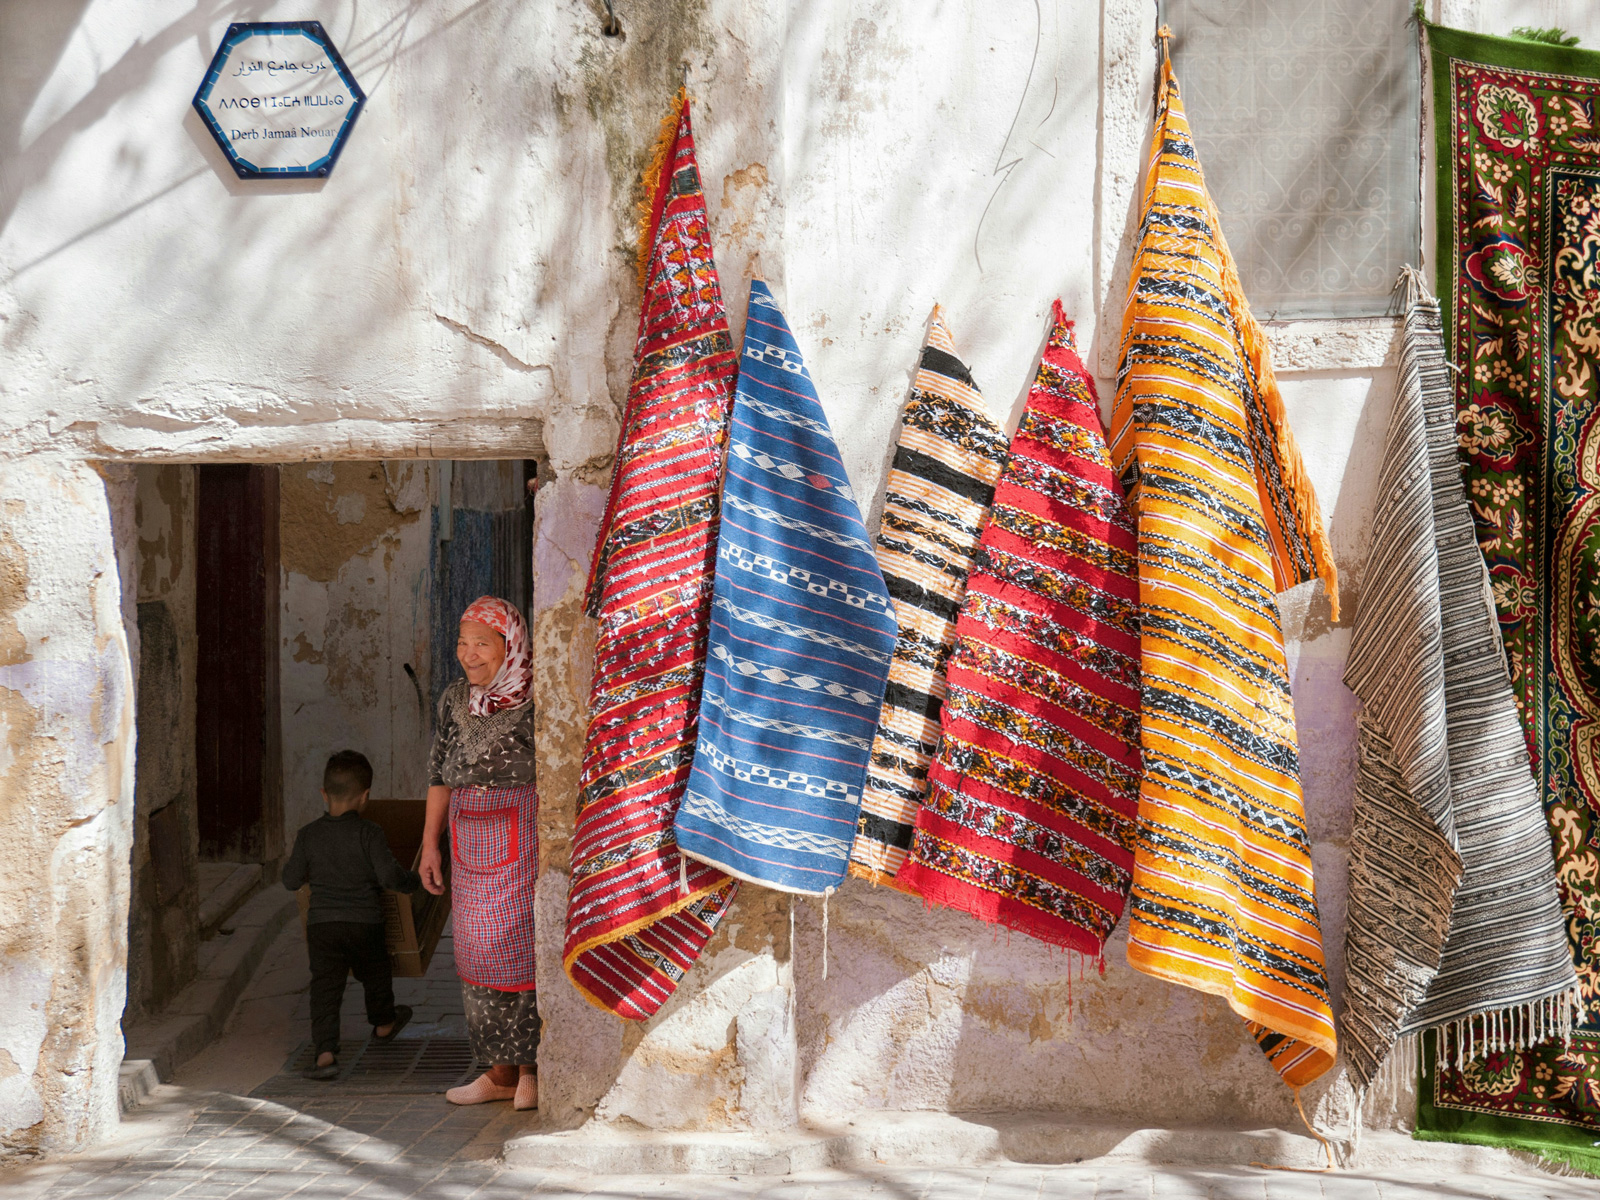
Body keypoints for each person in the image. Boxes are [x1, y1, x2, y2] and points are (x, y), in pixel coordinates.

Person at [420, 596, 539, 1110]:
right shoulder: (452, 700)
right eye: (463, 643)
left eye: (482, 644)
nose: (469, 655)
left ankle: (533, 1068)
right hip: (467, 840)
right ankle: (498, 1071)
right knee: (474, 949)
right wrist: (429, 842)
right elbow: (439, 774)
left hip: (523, 836)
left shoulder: (539, 700)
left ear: (509, 646)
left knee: (523, 947)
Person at [282, 750, 420, 1081]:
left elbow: (290, 880)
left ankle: (326, 1054)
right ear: (365, 797)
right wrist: (414, 881)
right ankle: (384, 1023)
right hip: (365, 923)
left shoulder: (308, 835)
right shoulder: (369, 833)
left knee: (325, 987)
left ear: (323, 794)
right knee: (376, 972)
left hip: (322, 927)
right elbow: (389, 877)